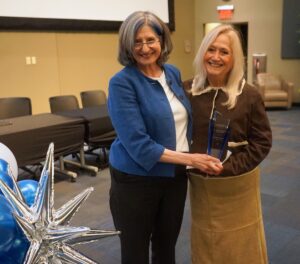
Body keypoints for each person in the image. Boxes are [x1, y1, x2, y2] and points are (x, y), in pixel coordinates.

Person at [107, 11, 223, 264]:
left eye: (151, 40)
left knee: (166, 246)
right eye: (137, 41)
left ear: (162, 41)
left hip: (174, 177)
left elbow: (181, 121)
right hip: (135, 181)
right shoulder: (122, 83)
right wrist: (191, 158)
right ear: (127, 44)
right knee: (135, 252)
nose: (145, 48)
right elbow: (139, 145)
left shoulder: (171, 72)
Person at [186, 24, 272, 263]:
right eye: (210, 49)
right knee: (206, 243)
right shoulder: (187, 90)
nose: (215, 57)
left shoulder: (249, 95)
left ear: (234, 58)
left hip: (237, 187)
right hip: (201, 187)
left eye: (224, 51)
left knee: (239, 246)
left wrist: (228, 169)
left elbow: (262, 143)